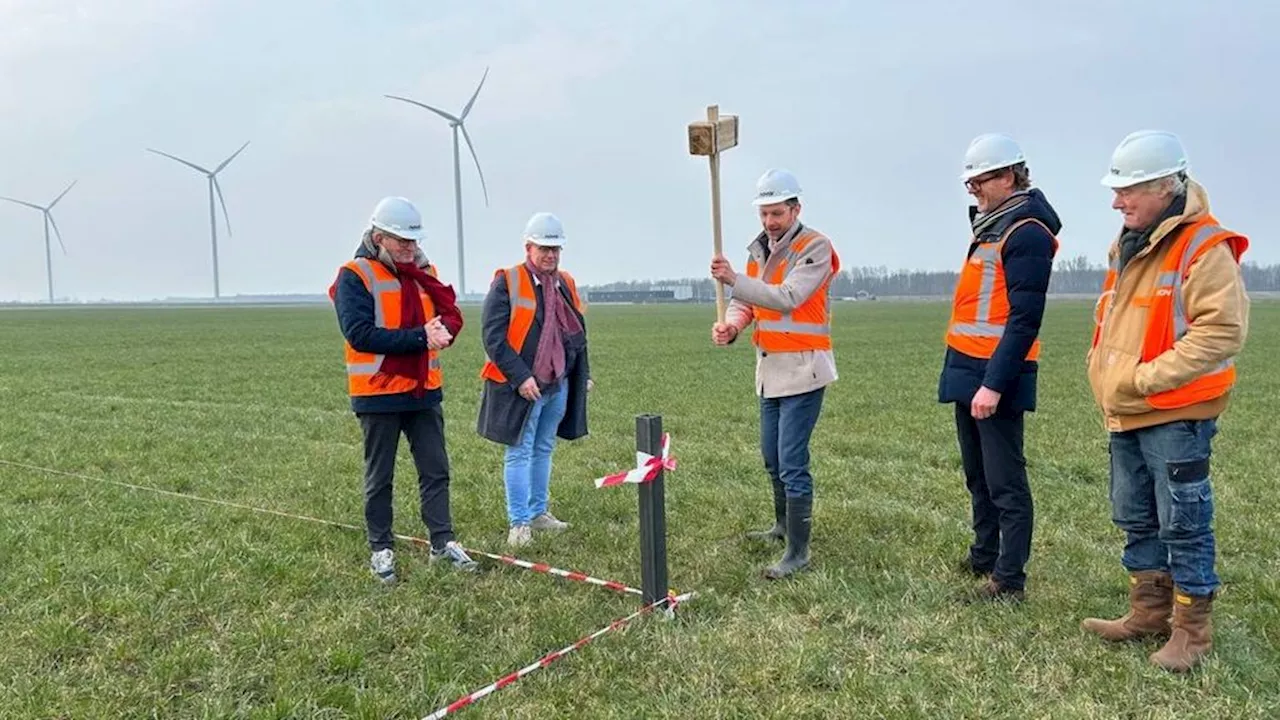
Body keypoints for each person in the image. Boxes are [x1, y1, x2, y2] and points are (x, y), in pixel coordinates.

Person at [1081, 130, 1249, 672]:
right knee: (1135, 516)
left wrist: (1146, 378)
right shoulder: (1128, 244)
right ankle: (1147, 613)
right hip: (1127, 410)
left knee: (1184, 522)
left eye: (1127, 189)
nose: (1116, 201)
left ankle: (1191, 635)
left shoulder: (1204, 246)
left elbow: (1221, 331)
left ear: (1165, 186)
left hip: (1175, 413)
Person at [329, 196, 477, 583]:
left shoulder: (426, 272)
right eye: (401, 242)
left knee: (436, 469)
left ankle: (442, 543)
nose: (410, 248)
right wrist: (419, 337)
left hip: (424, 390)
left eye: (413, 241)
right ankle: (381, 549)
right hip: (378, 393)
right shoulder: (354, 275)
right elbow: (359, 335)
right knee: (380, 476)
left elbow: (446, 315)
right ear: (378, 237)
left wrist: (445, 330)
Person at [939, 134, 1060, 603]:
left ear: (1008, 176)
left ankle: (1009, 580)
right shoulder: (991, 224)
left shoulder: (1025, 232)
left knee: (1006, 480)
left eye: (979, 182)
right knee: (977, 474)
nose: (974, 191)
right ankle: (984, 553)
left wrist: (993, 384)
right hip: (968, 368)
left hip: (997, 376)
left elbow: (1024, 319)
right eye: (969, 185)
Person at [710, 169, 840, 580]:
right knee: (772, 457)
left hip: (805, 369)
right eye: (764, 213)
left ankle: (798, 552)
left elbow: (788, 298)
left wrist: (736, 280)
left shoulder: (814, 248)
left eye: (777, 213)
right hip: (769, 371)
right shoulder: (758, 251)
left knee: (791, 460)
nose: (770, 222)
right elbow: (746, 303)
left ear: (795, 209)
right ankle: (782, 526)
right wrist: (732, 325)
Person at [477, 212, 592, 548]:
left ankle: (539, 512)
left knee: (543, 447)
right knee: (519, 451)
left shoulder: (565, 282)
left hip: (557, 382)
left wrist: (583, 374)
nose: (550, 255)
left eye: (555, 249)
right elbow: (493, 337)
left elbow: (576, 333)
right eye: (544, 248)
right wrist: (521, 377)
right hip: (522, 385)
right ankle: (519, 523)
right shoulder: (507, 282)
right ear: (529, 247)